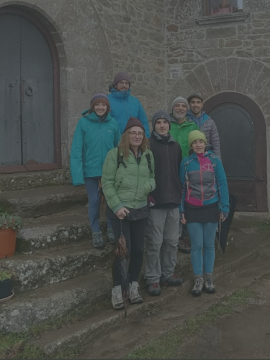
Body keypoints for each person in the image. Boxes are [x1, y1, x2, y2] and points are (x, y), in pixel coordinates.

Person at [101, 117, 155, 309]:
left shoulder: (148, 155)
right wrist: (117, 207)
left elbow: (152, 176)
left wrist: (149, 186)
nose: (137, 136)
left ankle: (133, 286)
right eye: (133, 133)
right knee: (124, 251)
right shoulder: (114, 155)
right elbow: (106, 183)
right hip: (121, 211)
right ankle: (117, 289)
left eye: (140, 133)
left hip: (140, 208)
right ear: (126, 135)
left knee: (139, 250)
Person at [180, 130, 229, 297]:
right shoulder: (186, 163)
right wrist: (181, 210)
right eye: (195, 142)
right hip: (192, 209)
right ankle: (198, 279)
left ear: (205, 143)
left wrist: (225, 207)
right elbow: (182, 188)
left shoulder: (214, 161)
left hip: (211, 207)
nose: (199, 145)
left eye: (201, 141)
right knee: (196, 246)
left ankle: (209, 278)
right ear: (191, 145)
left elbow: (222, 184)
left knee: (209, 245)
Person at [70, 93, 120, 249]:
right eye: (97, 105)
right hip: (90, 170)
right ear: (92, 107)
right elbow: (77, 148)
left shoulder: (113, 124)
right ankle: (96, 231)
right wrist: (78, 175)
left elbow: (119, 149)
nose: (100, 107)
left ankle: (112, 229)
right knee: (94, 201)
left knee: (111, 201)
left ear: (107, 107)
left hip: (109, 171)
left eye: (103, 105)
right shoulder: (83, 123)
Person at [144, 110, 185, 296]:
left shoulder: (176, 146)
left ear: (169, 125)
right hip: (156, 201)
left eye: (165, 122)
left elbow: (177, 171)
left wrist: (179, 193)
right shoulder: (148, 145)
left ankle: (168, 274)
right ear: (154, 125)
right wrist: (149, 195)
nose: (162, 125)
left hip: (174, 200)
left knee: (172, 241)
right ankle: (153, 278)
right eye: (158, 122)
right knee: (155, 242)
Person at [168, 96, 199, 253]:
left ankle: (187, 236)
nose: (180, 108)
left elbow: (196, 146)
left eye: (183, 106)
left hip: (188, 169)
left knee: (188, 201)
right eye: (177, 105)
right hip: (170, 169)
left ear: (187, 109)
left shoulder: (192, 126)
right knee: (175, 202)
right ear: (172, 108)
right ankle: (176, 237)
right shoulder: (166, 124)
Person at [108, 71, 150, 138]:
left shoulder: (135, 102)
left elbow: (143, 121)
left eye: (126, 83)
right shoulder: (107, 100)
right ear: (115, 85)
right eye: (121, 82)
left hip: (132, 140)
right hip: (113, 140)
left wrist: (146, 138)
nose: (124, 85)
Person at [186, 94, 222, 161]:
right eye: (193, 102)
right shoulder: (185, 120)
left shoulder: (209, 122)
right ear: (189, 104)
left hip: (207, 157)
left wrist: (218, 162)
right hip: (189, 158)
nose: (196, 105)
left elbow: (216, 144)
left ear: (202, 104)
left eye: (198, 102)